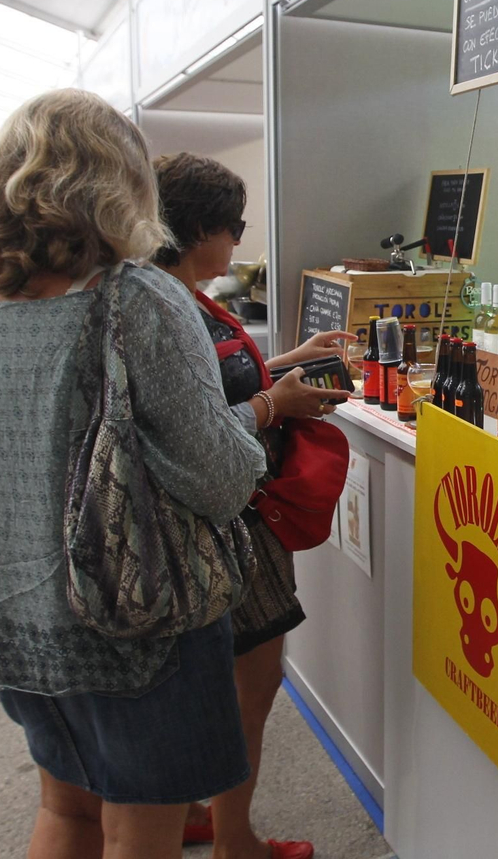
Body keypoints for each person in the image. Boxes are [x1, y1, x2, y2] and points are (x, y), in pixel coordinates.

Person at [0, 89, 269, 859]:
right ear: (124, 182)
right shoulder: (135, 297)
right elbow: (218, 477)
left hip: (9, 609)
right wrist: (261, 428)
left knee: (69, 810)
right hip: (131, 616)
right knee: (143, 826)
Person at [153, 152, 351, 859]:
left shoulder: (178, 294)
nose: (238, 241)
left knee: (212, 687)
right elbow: (188, 433)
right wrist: (275, 403)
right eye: (234, 226)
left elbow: (217, 386)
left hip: (225, 519)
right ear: (200, 227)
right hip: (230, 525)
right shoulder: (166, 306)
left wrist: (291, 361)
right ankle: (236, 840)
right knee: (251, 686)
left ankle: (186, 816)